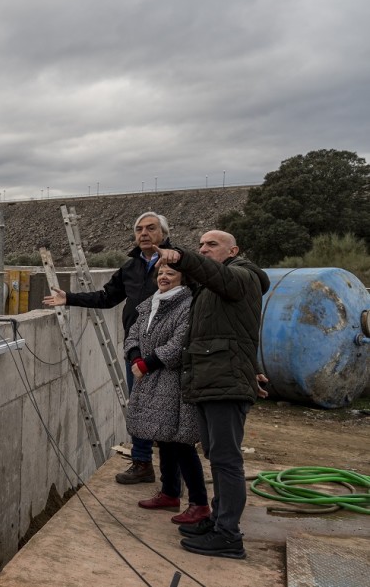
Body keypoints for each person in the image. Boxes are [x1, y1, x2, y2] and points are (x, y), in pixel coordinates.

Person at [155, 230, 270, 560]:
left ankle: (228, 535)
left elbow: (217, 274)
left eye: (212, 245)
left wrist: (184, 257)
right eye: (201, 245)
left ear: (233, 250)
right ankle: (218, 520)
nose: (205, 248)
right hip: (212, 382)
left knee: (226, 460)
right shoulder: (212, 288)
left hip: (225, 384)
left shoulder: (243, 276)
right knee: (216, 457)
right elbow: (238, 334)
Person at [43, 212, 173, 484]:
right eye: (139, 229)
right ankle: (142, 463)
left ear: (164, 233)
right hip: (136, 348)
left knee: (171, 408)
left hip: (169, 349)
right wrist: (69, 298)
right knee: (138, 405)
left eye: (151, 228)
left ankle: (174, 476)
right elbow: (106, 297)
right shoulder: (130, 267)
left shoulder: (179, 262)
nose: (144, 233)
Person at [123, 264, 210, 525]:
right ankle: (170, 492)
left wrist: (148, 363)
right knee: (163, 437)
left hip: (172, 381)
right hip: (149, 378)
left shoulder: (187, 306)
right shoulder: (151, 303)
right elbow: (134, 333)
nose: (163, 277)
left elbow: (180, 343)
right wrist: (135, 355)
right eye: (160, 273)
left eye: (170, 273)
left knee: (180, 440)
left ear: (183, 278)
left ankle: (199, 503)